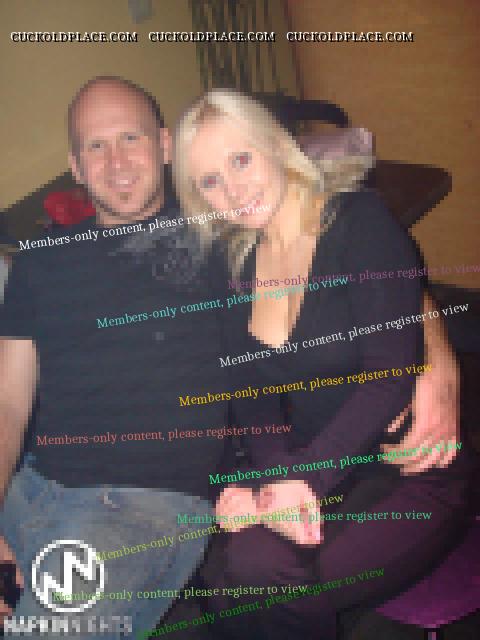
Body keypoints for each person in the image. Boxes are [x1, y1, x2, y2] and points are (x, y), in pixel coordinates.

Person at [172, 89, 473, 639]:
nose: (232, 190)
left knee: (256, 582)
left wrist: (302, 480)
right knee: (242, 570)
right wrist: (272, 484)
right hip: (313, 465)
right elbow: (249, 391)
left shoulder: (359, 222)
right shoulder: (231, 261)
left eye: (241, 159)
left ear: (275, 143)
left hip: (406, 465)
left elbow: (389, 373)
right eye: (209, 181)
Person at [0, 77, 229, 638]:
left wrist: (432, 351)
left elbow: (342, 252)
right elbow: (7, 400)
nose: (116, 161)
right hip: (29, 486)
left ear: (165, 145)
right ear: (75, 166)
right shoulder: (40, 261)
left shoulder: (218, 238)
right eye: (96, 146)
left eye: (131, 138)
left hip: (139, 509)